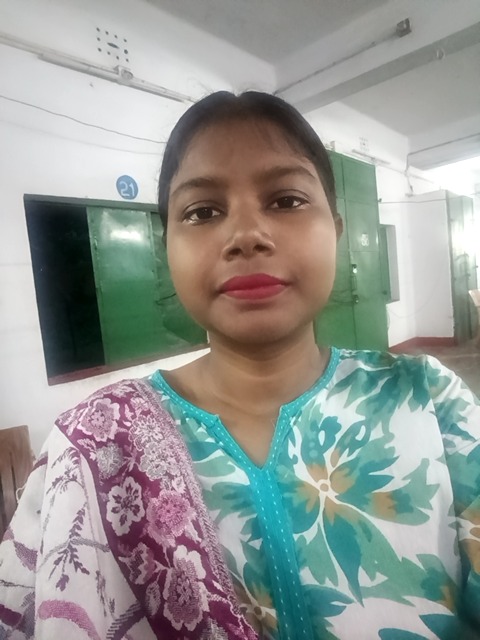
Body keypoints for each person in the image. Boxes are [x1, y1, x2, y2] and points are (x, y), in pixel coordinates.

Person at [0, 91, 479, 640]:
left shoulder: (430, 399)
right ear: (167, 248)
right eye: (202, 212)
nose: (247, 235)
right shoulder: (94, 445)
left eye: (286, 200)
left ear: (336, 230)